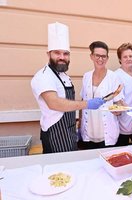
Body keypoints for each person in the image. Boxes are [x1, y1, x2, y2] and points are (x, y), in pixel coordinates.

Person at [31, 22, 104, 153]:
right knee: (58, 171)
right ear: (48, 54)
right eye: (57, 53)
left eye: (66, 54)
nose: (62, 57)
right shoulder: (43, 76)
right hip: (55, 134)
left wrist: (77, 125)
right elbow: (54, 103)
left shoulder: (64, 76)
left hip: (70, 131)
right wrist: (87, 104)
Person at [78, 41, 123, 149]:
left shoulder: (113, 77)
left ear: (107, 58)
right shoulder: (86, 76)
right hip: (88, 132)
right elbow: (82, 100)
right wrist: (79, 121)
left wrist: (119, 110)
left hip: (107, 134)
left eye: (103, 56)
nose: (100, 59)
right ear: (91, 56)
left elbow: (118, 102)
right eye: (97, 55)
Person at [114, 43, 132, 146]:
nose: (128, 59)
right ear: (120, 59)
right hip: (122, 123)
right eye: (125, 57)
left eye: (130, 56)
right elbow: (118, 101)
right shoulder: (117, 75)